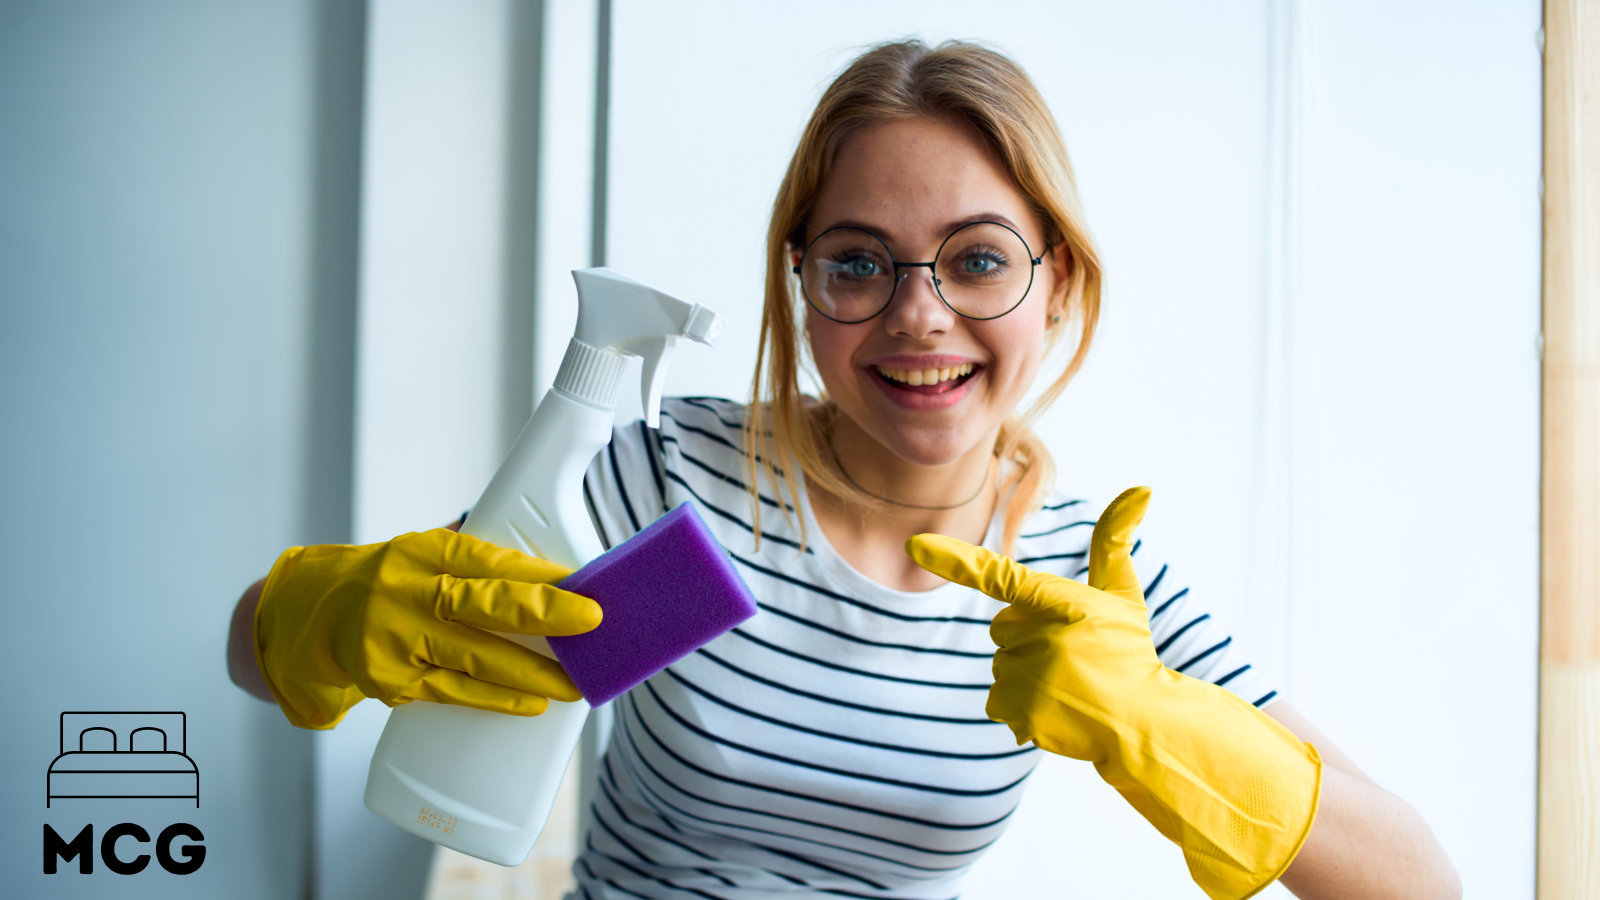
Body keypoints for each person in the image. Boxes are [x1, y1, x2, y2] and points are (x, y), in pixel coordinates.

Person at [228, 39, 1461, 900]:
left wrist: (1159, 721)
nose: (919, 317)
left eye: (977, 259)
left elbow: (1420, 885)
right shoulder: (683, 493)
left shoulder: (1080, 586)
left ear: (1057, 280)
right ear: (802, 284)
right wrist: (324, 618)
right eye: (860, 263)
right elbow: (252, 652)